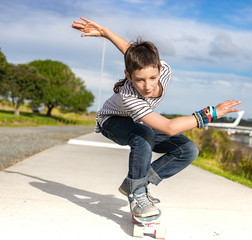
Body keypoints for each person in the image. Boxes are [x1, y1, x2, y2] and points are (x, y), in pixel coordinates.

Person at [72, 17, 241, 218]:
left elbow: (132, 52)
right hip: (112, 122)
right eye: (139, 80)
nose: (147, 86)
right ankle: (138, 195)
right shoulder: (129, 96)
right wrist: (210, 114)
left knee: (187, 149)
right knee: (143, 134)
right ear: (128, 76)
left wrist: (106, 32)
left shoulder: (165, 70)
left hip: (135, 122)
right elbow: (169, 127)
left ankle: (136, 184)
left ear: (160, 70)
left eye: (152, 78)